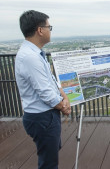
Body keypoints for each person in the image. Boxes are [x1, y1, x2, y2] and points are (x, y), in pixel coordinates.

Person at [15, 10, 71, 169]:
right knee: (48, 162)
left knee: (50, 154)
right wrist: (64, 106)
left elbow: (51, 80)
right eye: (49, 27)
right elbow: (46, 94)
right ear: (40, 30)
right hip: (42, 117)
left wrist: (64, 96)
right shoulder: (30, 57)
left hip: (46, 116)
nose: (50, 30)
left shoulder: (35, 53)